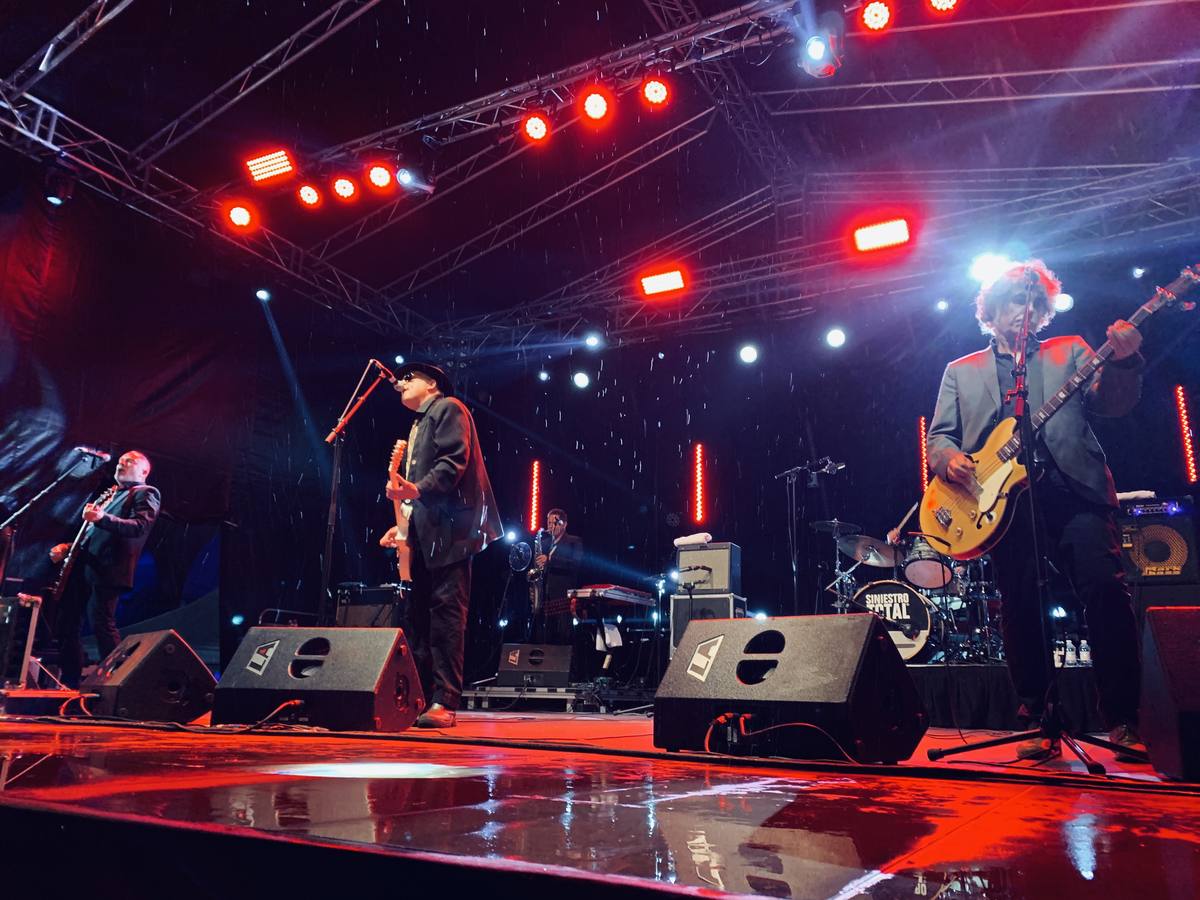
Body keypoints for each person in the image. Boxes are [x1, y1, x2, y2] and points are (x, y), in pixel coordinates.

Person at [926, 259, 1145, 760]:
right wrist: (948, 459)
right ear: (992, 309)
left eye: (1032, 302)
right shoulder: (961, 371)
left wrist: (1125, 362)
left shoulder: (1069, 351)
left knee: (1105, 590)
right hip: (1001, 505)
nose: (1024, 309)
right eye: (1014, 301)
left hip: (1074, 491)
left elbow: (1110, 403)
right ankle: (1039, 717)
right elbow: (940, 436)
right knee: (1021, 606)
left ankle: (1124, 719)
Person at [381, 362, 501, 728]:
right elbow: (420, 489)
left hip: (452, 530)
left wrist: (415, 490)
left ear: (431, 383)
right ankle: (419, 697)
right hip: (428, 531)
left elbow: (454, 462)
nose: (400, 383)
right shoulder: (419, 422)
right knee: (418, 616)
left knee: (446, 614)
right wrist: (402, 525)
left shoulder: (448, 407)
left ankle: (444, 701)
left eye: (409, 378)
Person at [47, 450, 160, 687]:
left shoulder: (146, 493)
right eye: (120, 462)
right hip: (84, 565)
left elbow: (139, 526)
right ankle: (70, 681)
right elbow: (92, 534)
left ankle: (117, 681)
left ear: (144, 471)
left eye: (129, 461)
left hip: (108, 568)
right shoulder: (111, 494)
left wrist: (102, 518)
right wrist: (69, 547)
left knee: (102, 623)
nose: (121, 464)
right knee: (67, 624)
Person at [530, 508, 583, 644]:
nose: (551, 526)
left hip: (563, 598)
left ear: (564, 524)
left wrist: (550, 560)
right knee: (545, 638)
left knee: (563, 638)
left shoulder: (574, 541)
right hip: (545, 598)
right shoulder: (545, 544)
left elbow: (576, 564)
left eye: (555, 523)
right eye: (549, 523)